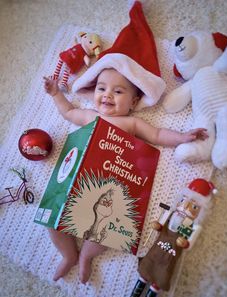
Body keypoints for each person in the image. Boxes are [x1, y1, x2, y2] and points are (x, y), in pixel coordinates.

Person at [44, 68, 208, 283]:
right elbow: (67, 112)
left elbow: (157, 135)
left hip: (110, 185)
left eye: (118, 91)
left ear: (133, 102)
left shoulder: (130, 123)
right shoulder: (89, 116)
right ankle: (68, 255)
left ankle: (86, 255)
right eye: (101, 88)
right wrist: (57, 93)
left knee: (109, 231)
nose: (107, 94)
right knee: (51, 219)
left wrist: (182, 137)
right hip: (79, 180)